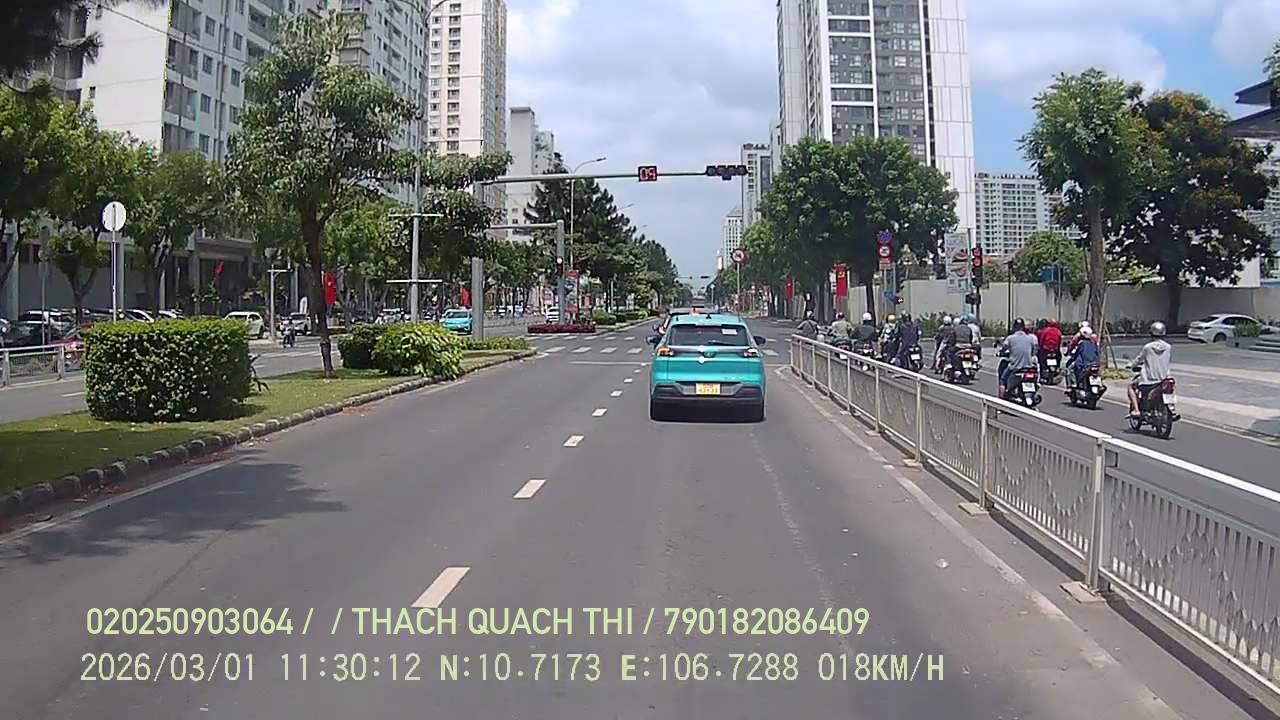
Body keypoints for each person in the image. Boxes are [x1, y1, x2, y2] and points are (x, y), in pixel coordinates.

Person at [1128, 321, 1172, 418]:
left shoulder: (1148, 347)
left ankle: (1136, 410)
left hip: (1149, 379)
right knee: (1170, 387)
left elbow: (1139, 359)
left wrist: (1131, 365)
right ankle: (1172, 408)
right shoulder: (1168, 347)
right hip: (1164, 378)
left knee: (1131, 386)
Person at [999, 318, 1039, 399]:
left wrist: (1001, 352)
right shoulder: (1030, 338)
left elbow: (1003, 348)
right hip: (1028, 367)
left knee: (1002, 380)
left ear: (1014, 327)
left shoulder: (1010, 338)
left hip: (1015, 367)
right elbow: (1033, 352)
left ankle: (1001, 400)